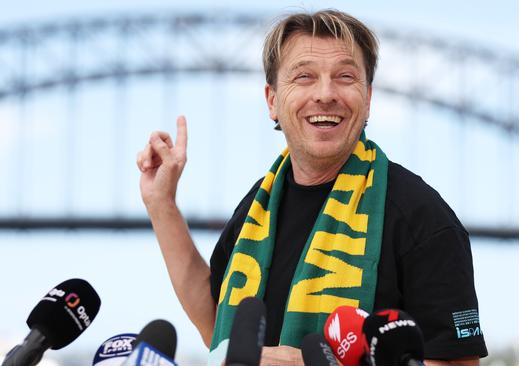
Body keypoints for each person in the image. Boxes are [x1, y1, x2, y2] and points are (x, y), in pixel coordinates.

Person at [137, 9, 487, 366]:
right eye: (304, 77)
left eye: (345, 77)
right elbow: (217, 327)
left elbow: (457, 363)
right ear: (272, 100)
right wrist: (160, 203)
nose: (325, 94)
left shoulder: (421, 216)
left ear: (367, 98)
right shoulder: (258, 208)